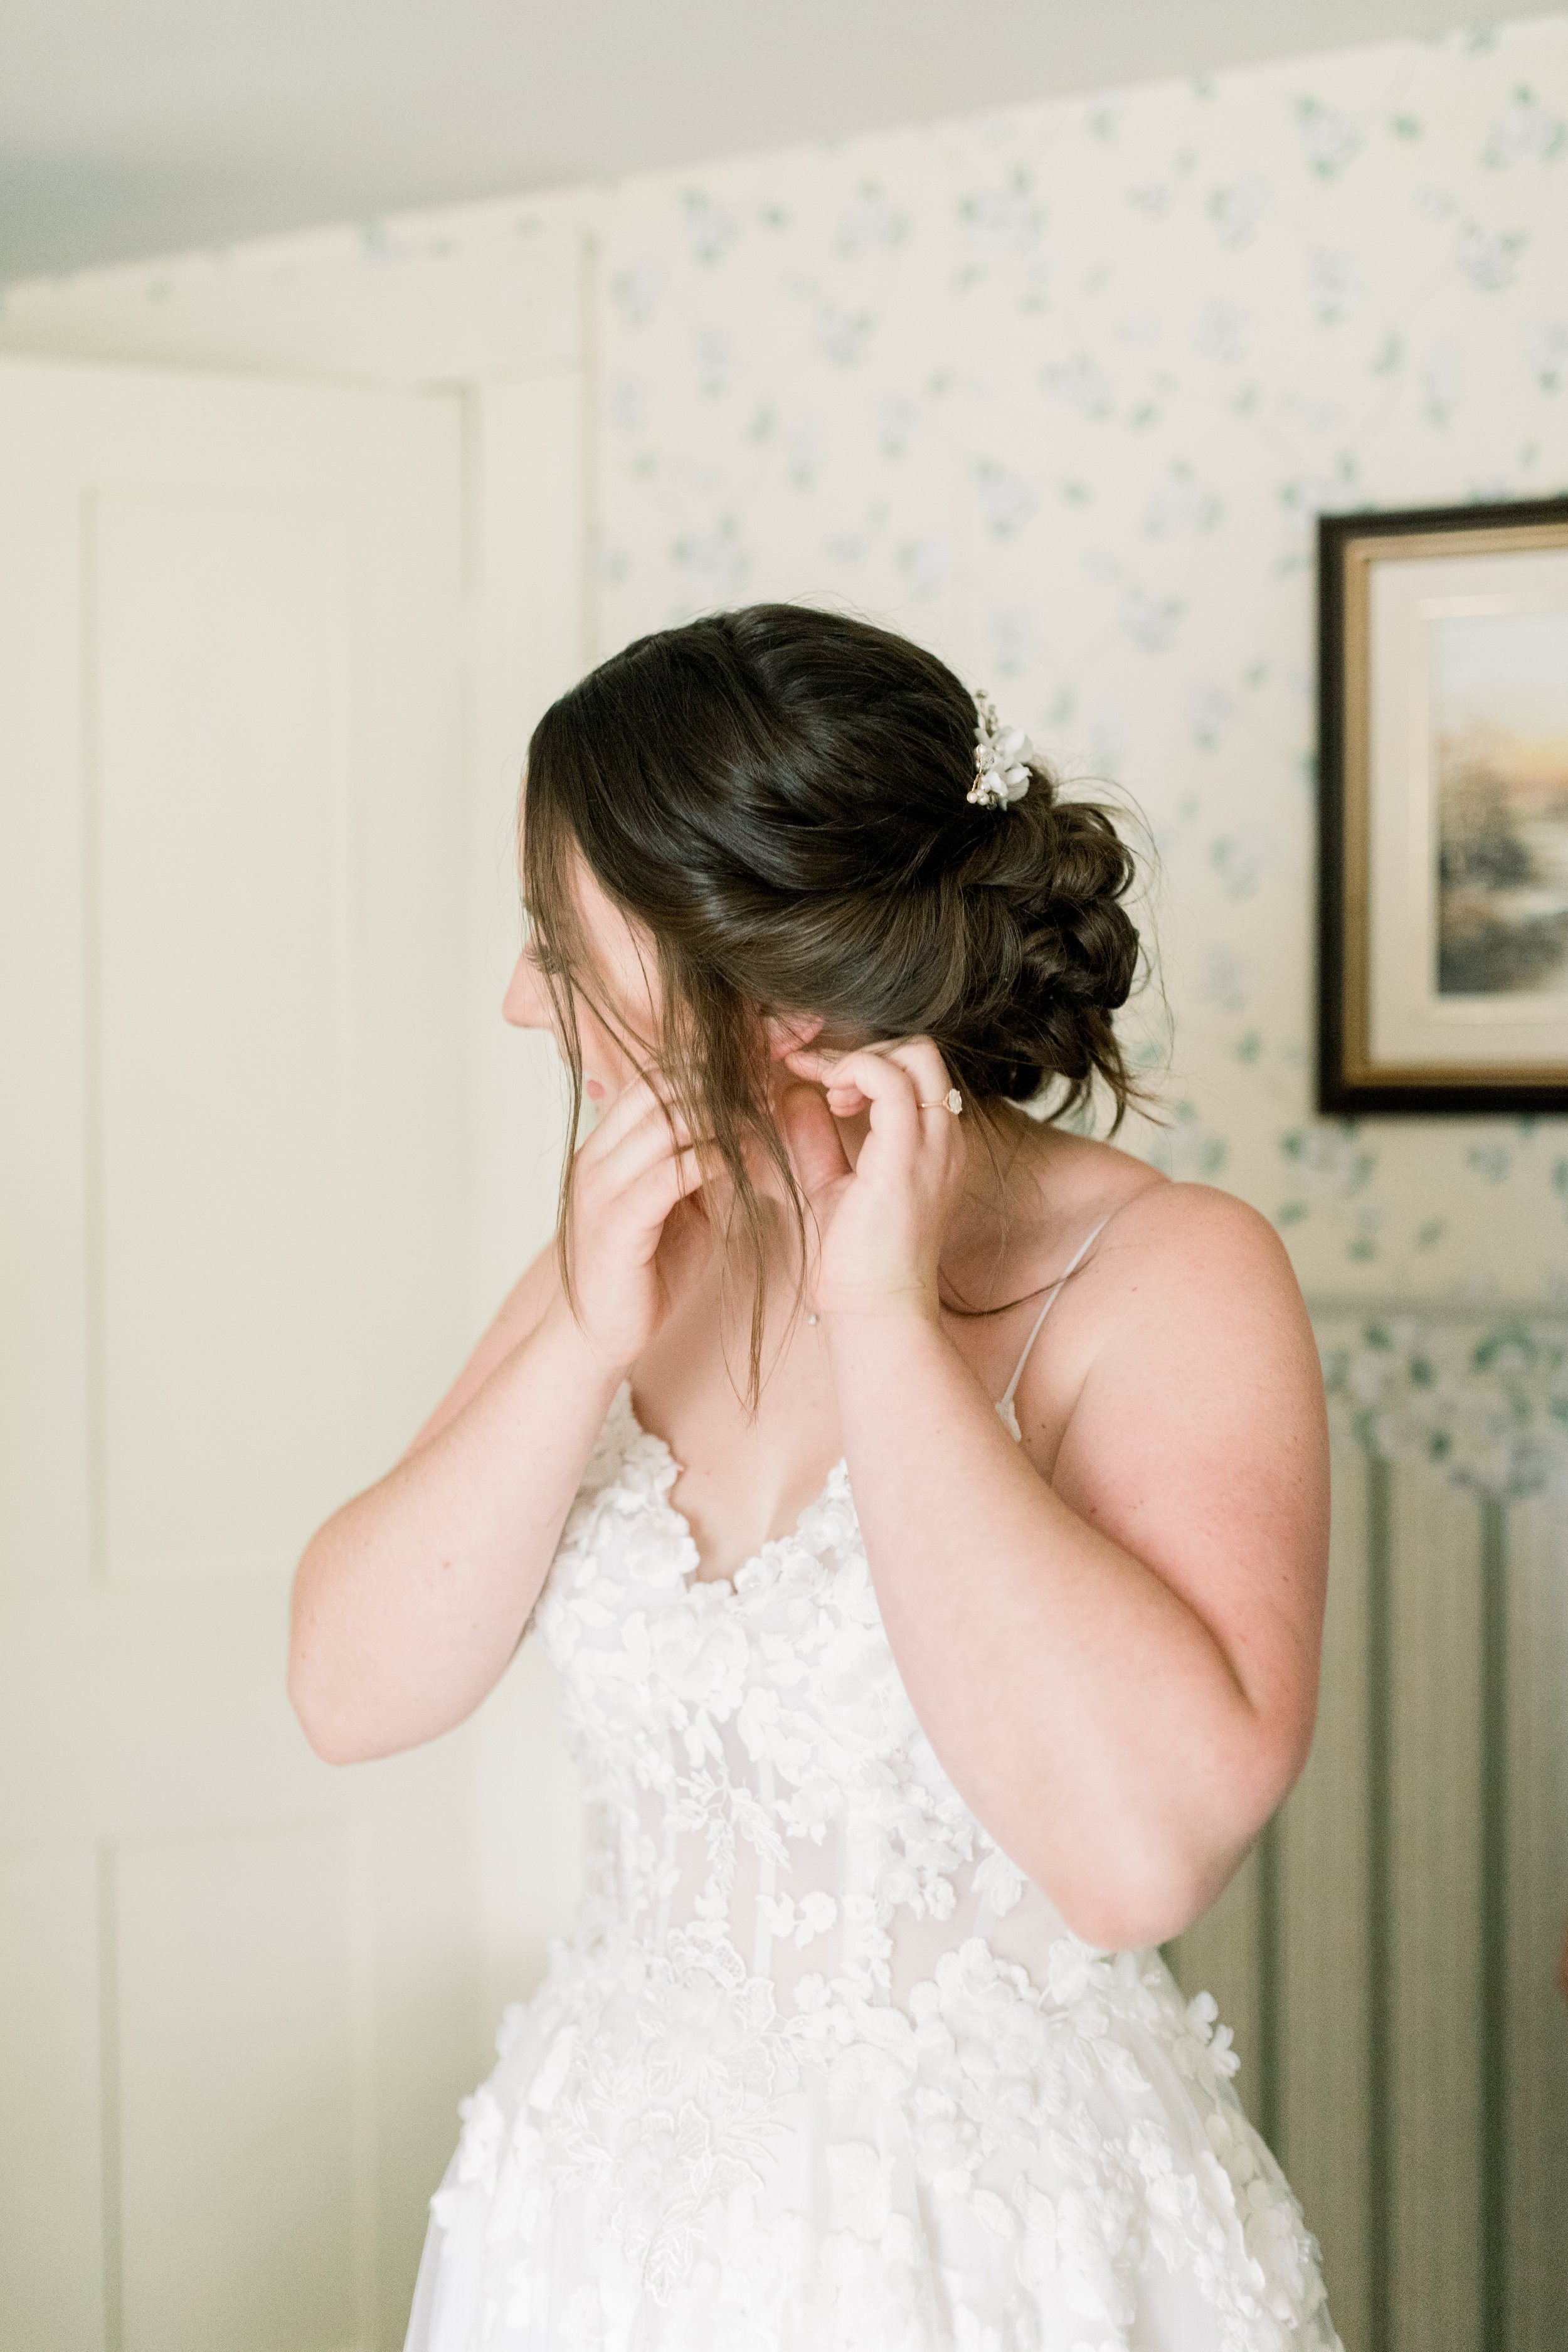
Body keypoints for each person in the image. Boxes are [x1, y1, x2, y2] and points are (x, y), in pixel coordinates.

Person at [289, 605, 1342, 2351]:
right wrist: (571, 1336)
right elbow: (348, 1692)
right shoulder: (630, 1255)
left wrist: (884, 1326)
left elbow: (1132, 1863)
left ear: (762, 983)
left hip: (983, 2244)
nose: (517, 996)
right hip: (596, 2213)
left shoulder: (1169, 1279)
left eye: (561, 942)